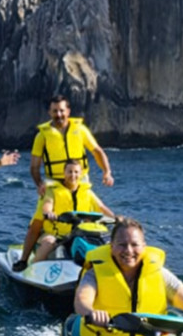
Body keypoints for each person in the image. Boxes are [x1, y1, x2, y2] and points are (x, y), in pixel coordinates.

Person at [13, 95, 114, 271]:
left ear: (68, 111)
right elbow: (35, 166)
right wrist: (39, 185)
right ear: (49, 113)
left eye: (61, 110)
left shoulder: (80, 130)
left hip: (78, 180)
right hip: (53, 183)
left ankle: (88, 256)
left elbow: (97, 150)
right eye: (55, 111)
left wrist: (107, 172)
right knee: (38, 221)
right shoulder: (42, 136)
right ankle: (24, 260)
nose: (59, 114)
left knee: (90, 217)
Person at [32, 160, 114, 263]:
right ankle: (33, 266)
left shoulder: (87, 192)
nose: (73, 175)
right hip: (55, 233)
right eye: (69, 171)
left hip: (80, 233)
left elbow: (101, 207)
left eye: (76, 172)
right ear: (64, 173)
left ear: (80, 174)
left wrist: (114, 218)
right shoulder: (53, 190)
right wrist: (49, 213)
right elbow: (47, 204)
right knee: (49, 242)